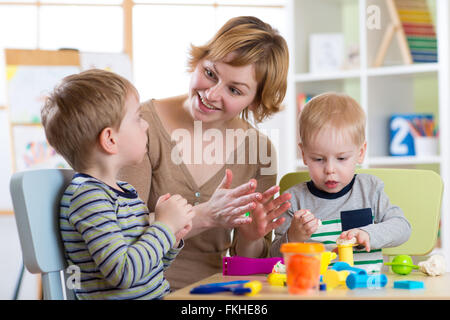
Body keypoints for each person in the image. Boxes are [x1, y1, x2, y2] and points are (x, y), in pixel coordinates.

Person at [119, 16, 291, 289]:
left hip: (217, 292)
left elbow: (250, 265)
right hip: (141, 290)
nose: (211, 94)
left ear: (256, 100)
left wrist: (250, 236)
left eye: (234, 90)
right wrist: (207, 214)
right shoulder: (141, 126)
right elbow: (120, 232)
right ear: (200, 59)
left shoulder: (259, 150)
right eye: (210, 73)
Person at [41, 69, 194, 299]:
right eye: (137, 118)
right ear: (111, 140)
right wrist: (163, 226)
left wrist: (172, 238)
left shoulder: (126, 193)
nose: (146, 126)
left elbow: (147, 274)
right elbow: (123, 274)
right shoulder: (88, 198)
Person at [270, 92, 411, 273]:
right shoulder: (294, 201)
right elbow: (273, 259)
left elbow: (402, 226)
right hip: (316, 289)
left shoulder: (370, 190)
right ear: (304, 154)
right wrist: (293, 237)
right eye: (318, 159)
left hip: (367, 288)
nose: (330, 169)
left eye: (342, 158)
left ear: (361, 152)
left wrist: (369, 233)